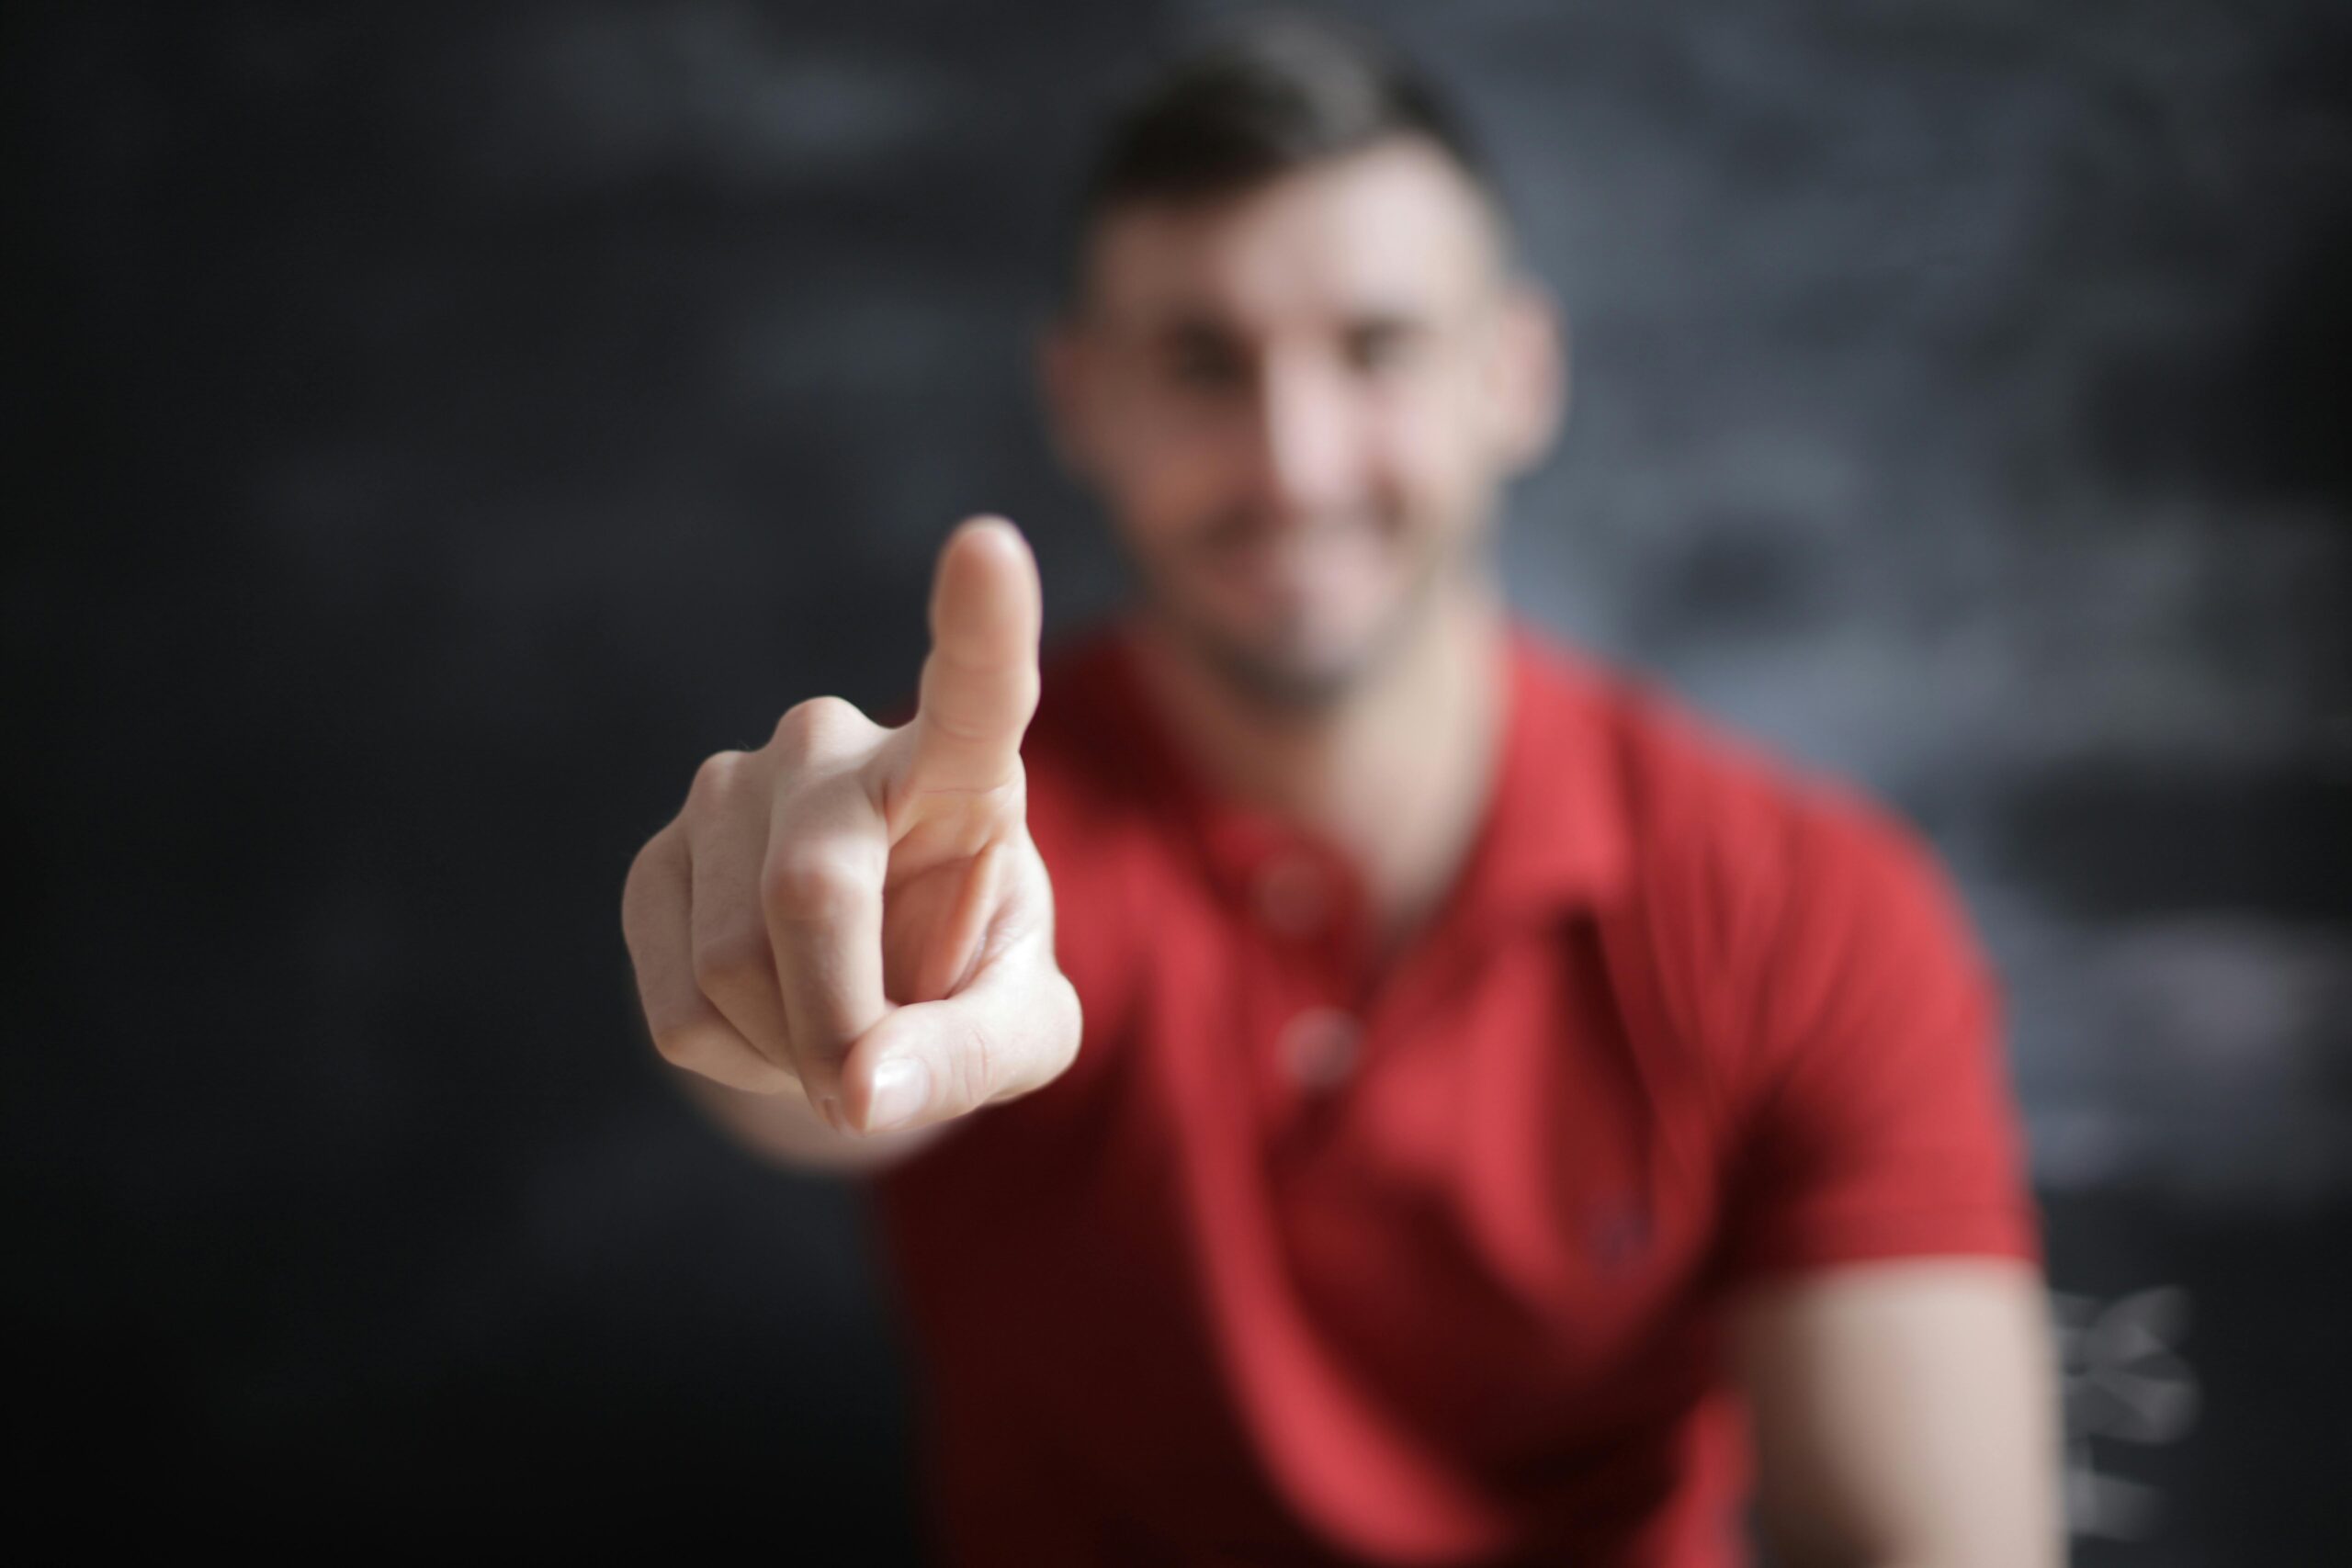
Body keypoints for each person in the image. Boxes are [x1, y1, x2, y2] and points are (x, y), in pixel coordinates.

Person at [619, 15, 2062, 1567]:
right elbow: (821, 1060)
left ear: (1517, 377)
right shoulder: (973, 847)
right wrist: (794, 981)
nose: (1293, 461)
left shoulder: (1802, 911)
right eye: (1200, 363)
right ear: (1079, 397)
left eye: (1376, 350)